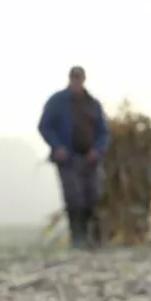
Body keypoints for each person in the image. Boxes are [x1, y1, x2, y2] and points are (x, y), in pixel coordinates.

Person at [37, 66, 110, 247]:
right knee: (74, 198)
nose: (77, 81)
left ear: (84, 79)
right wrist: (57, 146)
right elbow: (44, 126)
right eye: (74, 78)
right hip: (68, 159)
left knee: (92, 197)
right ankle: (77, 238)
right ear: (70, 79)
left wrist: (98, 149)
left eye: (79, 78)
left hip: (90, 159)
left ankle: (91, 238)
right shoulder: (58, 101)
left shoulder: (93, 104)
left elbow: (104, 132)